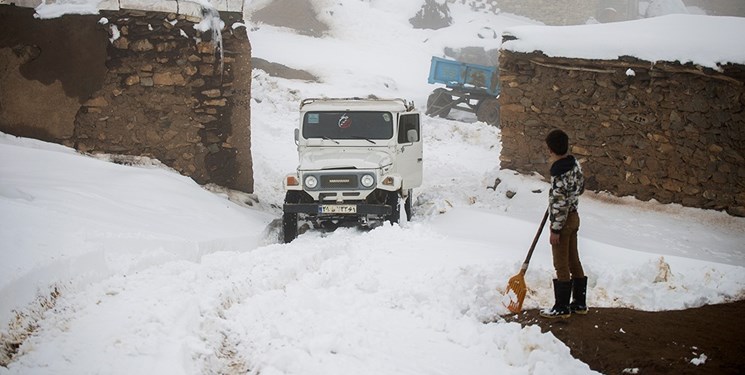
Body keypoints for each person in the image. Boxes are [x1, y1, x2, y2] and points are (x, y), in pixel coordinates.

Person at [540, 129, 588, 319]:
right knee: (573, 260)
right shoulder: (574, 164)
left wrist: (555, 229)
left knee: (561, 264)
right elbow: (581, 188)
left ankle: (561, 307)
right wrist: (565, 195)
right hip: (574, 217)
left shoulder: (559, 171)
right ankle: (579, 303)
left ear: (551, 149)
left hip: (564, 221)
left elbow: (560, 205)